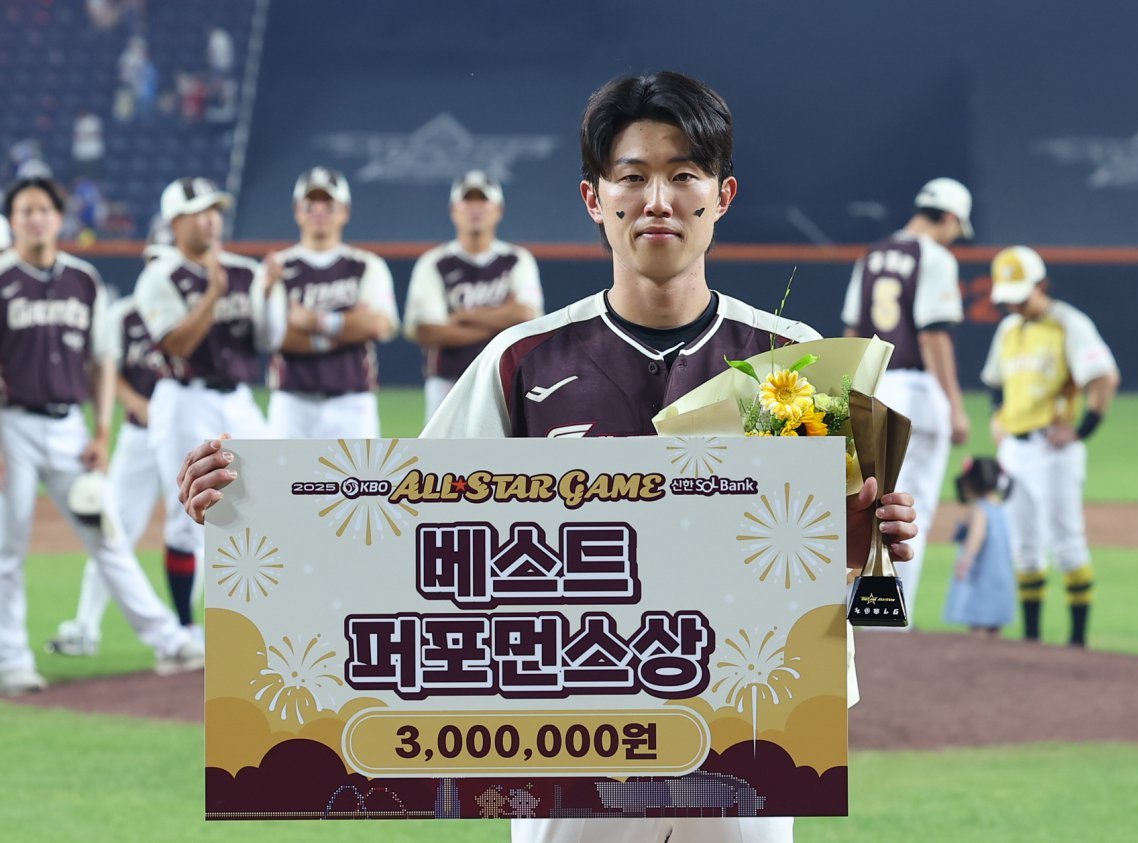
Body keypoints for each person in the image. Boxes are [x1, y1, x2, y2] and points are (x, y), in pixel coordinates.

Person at [177, 70, 918, 843]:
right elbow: (402, 533)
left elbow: (815, 571)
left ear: (722, 195)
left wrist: (855, 548)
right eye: (632, 176)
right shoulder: (521, 359)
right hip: (568, 731)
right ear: (595, 198)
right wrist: (246, 510)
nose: (657, 200)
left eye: (683, 175)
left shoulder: (789, 359)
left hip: (744, 731)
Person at [0, 177, 202, 694]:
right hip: (11, 426)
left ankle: (168, 639)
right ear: (13, 220)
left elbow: (104, 360)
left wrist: (102, 432)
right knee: (8, 545)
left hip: (69, 427)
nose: (36, 218)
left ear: (59, 217)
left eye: (44, 209)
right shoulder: (2, 278)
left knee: (107, 536)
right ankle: (12, 659)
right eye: (25, 210)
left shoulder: (83, 279)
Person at [134, 176, 284, 631]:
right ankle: (185, 630)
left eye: (215, 210)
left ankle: (268, 619)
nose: (211, 220)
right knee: (188, 512)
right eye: (199, 212)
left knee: (274, 499)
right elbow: (176, 344)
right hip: (184, 399)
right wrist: (213, 295)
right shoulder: (159, 277)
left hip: (238, 398)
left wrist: (270, 295)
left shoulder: (245, 271)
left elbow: (268, 340)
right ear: (175, 222)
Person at [841, 177, 973, 621]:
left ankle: (855, 612)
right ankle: (893, 621)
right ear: (950, 217)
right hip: (916, 390)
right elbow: (933, 335)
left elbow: (853, 331)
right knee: (909, 512)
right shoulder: (934, 256)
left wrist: (852, 395)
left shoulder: (872, 254)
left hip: (873, 387)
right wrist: (954, 404)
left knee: (864, 504)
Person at [46, 227, 177, 657]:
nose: (160, 268)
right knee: (110, 527)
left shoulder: (194, 313)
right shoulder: (125, 314)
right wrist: (132, 401)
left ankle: (186, 629)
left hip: (185, 439)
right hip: (138, 438)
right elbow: (105, 367)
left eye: (168, 261)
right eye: (155, 260)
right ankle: (85, 627)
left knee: (194, 535)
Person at [982, 246, 1119, 647]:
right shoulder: (1008, 329)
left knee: (1067, 543)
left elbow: (1105, 376)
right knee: (1024, 547)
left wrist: (1084, 429)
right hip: (1014, 450)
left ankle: (1077, 644)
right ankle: (1032, 643)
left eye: (1021, 296)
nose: (1014, 305)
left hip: (1053, 450)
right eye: (1008, 298)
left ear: (1042, 285)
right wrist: (997, 416)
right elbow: (995, 381)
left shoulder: (1069, 324)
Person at [263, 167, 400, 439]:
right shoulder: (277, 267)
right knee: (282, 470)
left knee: (361, 469)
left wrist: (316, 322)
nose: (319, 212)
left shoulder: (367, 265)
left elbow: (378, 326)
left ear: (345, 211)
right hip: (292, 401)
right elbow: (274, 337)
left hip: (353, 401)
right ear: (297, 211)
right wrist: (348, 327)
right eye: (310, 205)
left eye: (329, 205)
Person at [403, 169, 544, 423]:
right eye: (468, 201)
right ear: (453, 210)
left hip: (505, 379)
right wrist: (500, 323)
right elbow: (428, 331)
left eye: (483, 201)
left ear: (498, 210)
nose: (475, 208)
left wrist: (463, 317)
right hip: (447, 382)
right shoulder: (434, 262)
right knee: (442, 449)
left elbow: (526, 315)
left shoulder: (517, 259)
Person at [942, 456, 1015, 636]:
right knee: (995, 626)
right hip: (1002, 576)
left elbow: (976, 536)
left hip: (983, 576)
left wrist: (965, 561)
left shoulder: (979, 509)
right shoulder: (1001, 507)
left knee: (979, 626)